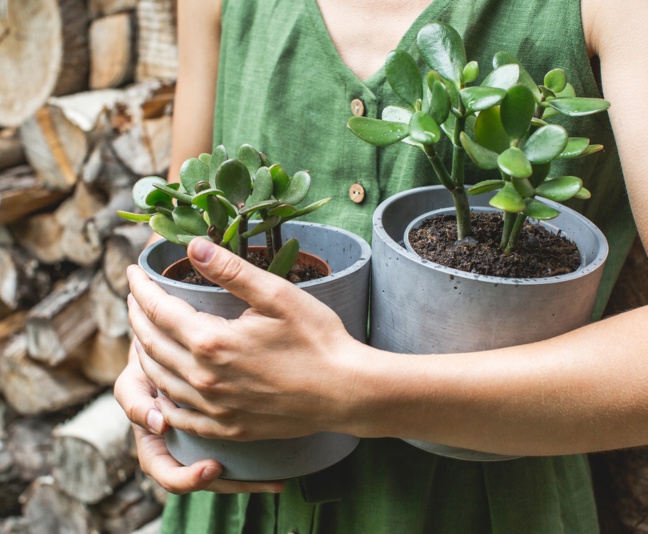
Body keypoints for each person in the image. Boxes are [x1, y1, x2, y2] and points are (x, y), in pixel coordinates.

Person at [115, 0, 648, 532]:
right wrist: (157, 359)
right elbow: (181, 228)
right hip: (234, 487)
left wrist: (354, 394)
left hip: (486, 506)